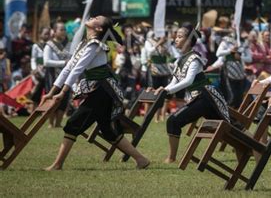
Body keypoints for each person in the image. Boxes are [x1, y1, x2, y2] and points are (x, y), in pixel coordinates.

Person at [41, 16, 150, 171]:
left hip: (102, 90)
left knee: (73, 125)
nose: (93, 17)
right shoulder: (84, 44)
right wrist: (52, 92)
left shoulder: (95, 45)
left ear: (98, 29)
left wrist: (62, 92)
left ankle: (57, 164)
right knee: (107, 130)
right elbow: (68, 68)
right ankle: (141, 159)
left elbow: (78, 69)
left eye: (97, 18)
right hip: (100, 90)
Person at [152, 25, 230, 164]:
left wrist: (168, 91)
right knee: (228, 129)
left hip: (206, 97)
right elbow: (174, 81)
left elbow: (188, 81)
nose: (176, 39)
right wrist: (163, 89)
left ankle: (171, 158)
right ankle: (172, 157)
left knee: (230, 129)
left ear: (189, 40)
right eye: (176, 36)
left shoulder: (194, 58)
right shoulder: (180, 60)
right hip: (198, 99)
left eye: (180, 36)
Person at [44, 21, 71, 128]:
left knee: (64, 98)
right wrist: (63, 63)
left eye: (64, 29)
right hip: (52, 76)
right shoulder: (49, 45)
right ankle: (51, 123)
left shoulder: (68, 44)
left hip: (66, 76)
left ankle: (58, 123)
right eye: (61, 29)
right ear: (54, 32)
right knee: (52, 99)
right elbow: (46, 62)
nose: (64, 31)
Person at [30, 27, 51, 106]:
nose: (47, 36)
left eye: (48, 34)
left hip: (48, 71)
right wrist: (34, 69)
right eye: (45, 34)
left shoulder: (50, 45)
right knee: (37, 92)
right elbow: (33, 59)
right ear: (40, 35)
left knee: (48, 90)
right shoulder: (36, 46)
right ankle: (33, 110)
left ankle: (46, 110)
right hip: (39, 72)